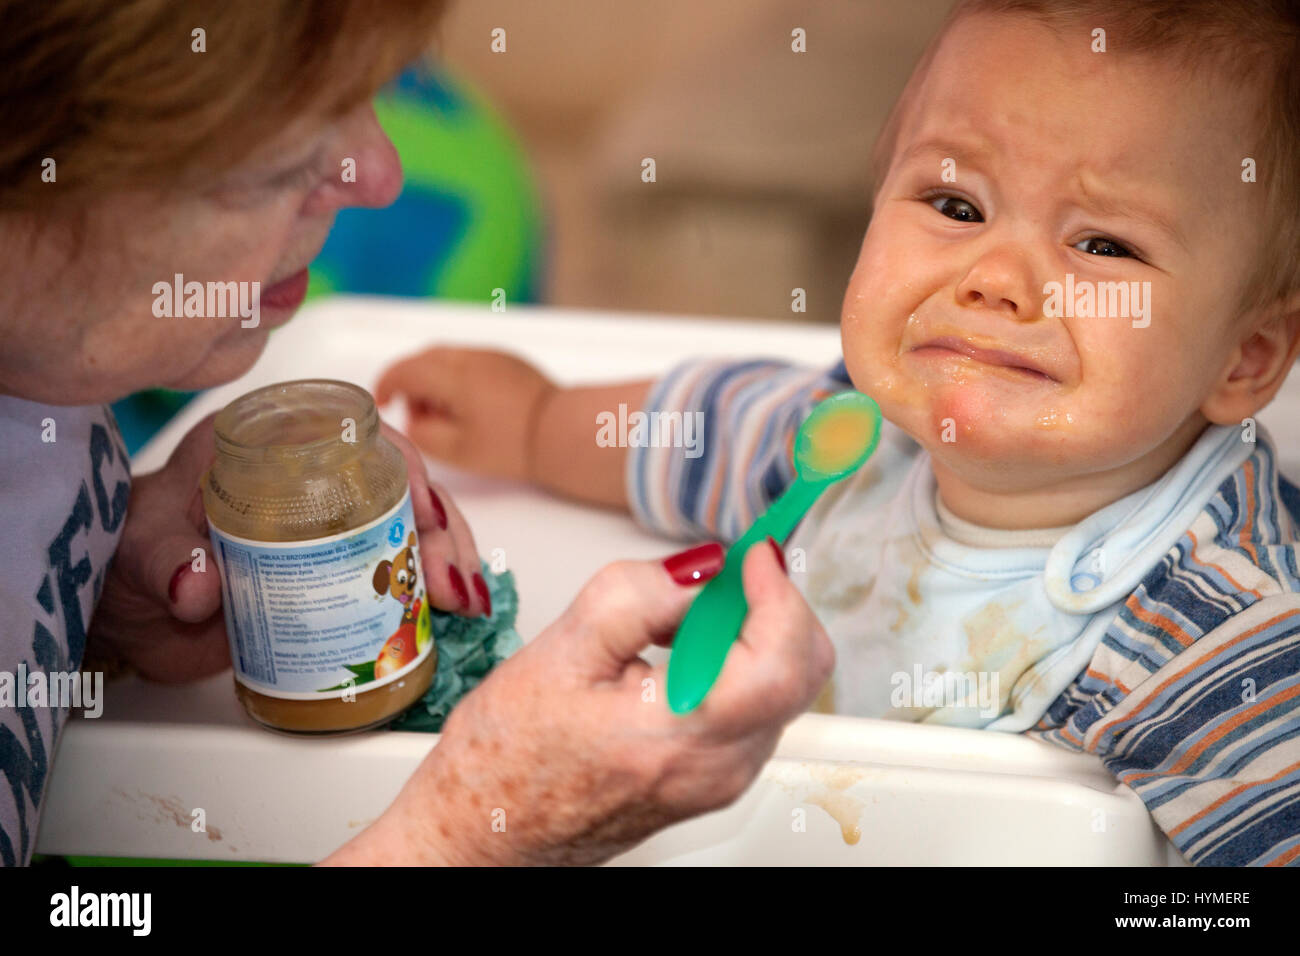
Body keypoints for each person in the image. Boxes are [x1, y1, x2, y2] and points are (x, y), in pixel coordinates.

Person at [375, 0, 1300, 865]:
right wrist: (536, 422)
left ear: (1245, 359)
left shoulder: (1222, 645)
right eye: (955, 205)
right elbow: (690, 432)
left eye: (1103, 245)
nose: (996, 279)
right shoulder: (843, 444)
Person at [0, 0, 833, 867]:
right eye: (275, 155)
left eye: (371, 95)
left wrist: (95, 606)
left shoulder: (42, 382)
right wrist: (465, 834)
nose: (380, 174)